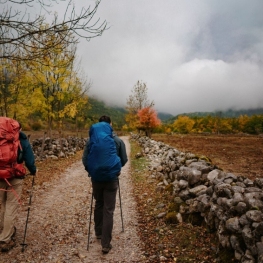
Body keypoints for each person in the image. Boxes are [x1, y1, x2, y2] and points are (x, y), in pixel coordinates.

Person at [82, 115, 127, 254]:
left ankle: (99, 233)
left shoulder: (91, 140)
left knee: (99, 204)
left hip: (96, 179)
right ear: (110, 124)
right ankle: (106, 244)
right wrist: (116, 169)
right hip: (111, 179)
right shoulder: (117, 140)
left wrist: (91, 171)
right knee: (109, 210)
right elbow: (124, 159)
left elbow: (85, 159)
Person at [0, 122, 37, 253]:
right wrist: (33, 170)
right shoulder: (20, 138)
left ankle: (3, 230)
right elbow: (29, 157)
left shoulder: (1, 137)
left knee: (3, 204)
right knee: (11, 206)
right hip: (14, 177)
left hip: (0, 176)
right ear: (18, 128)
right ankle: (5, 239)